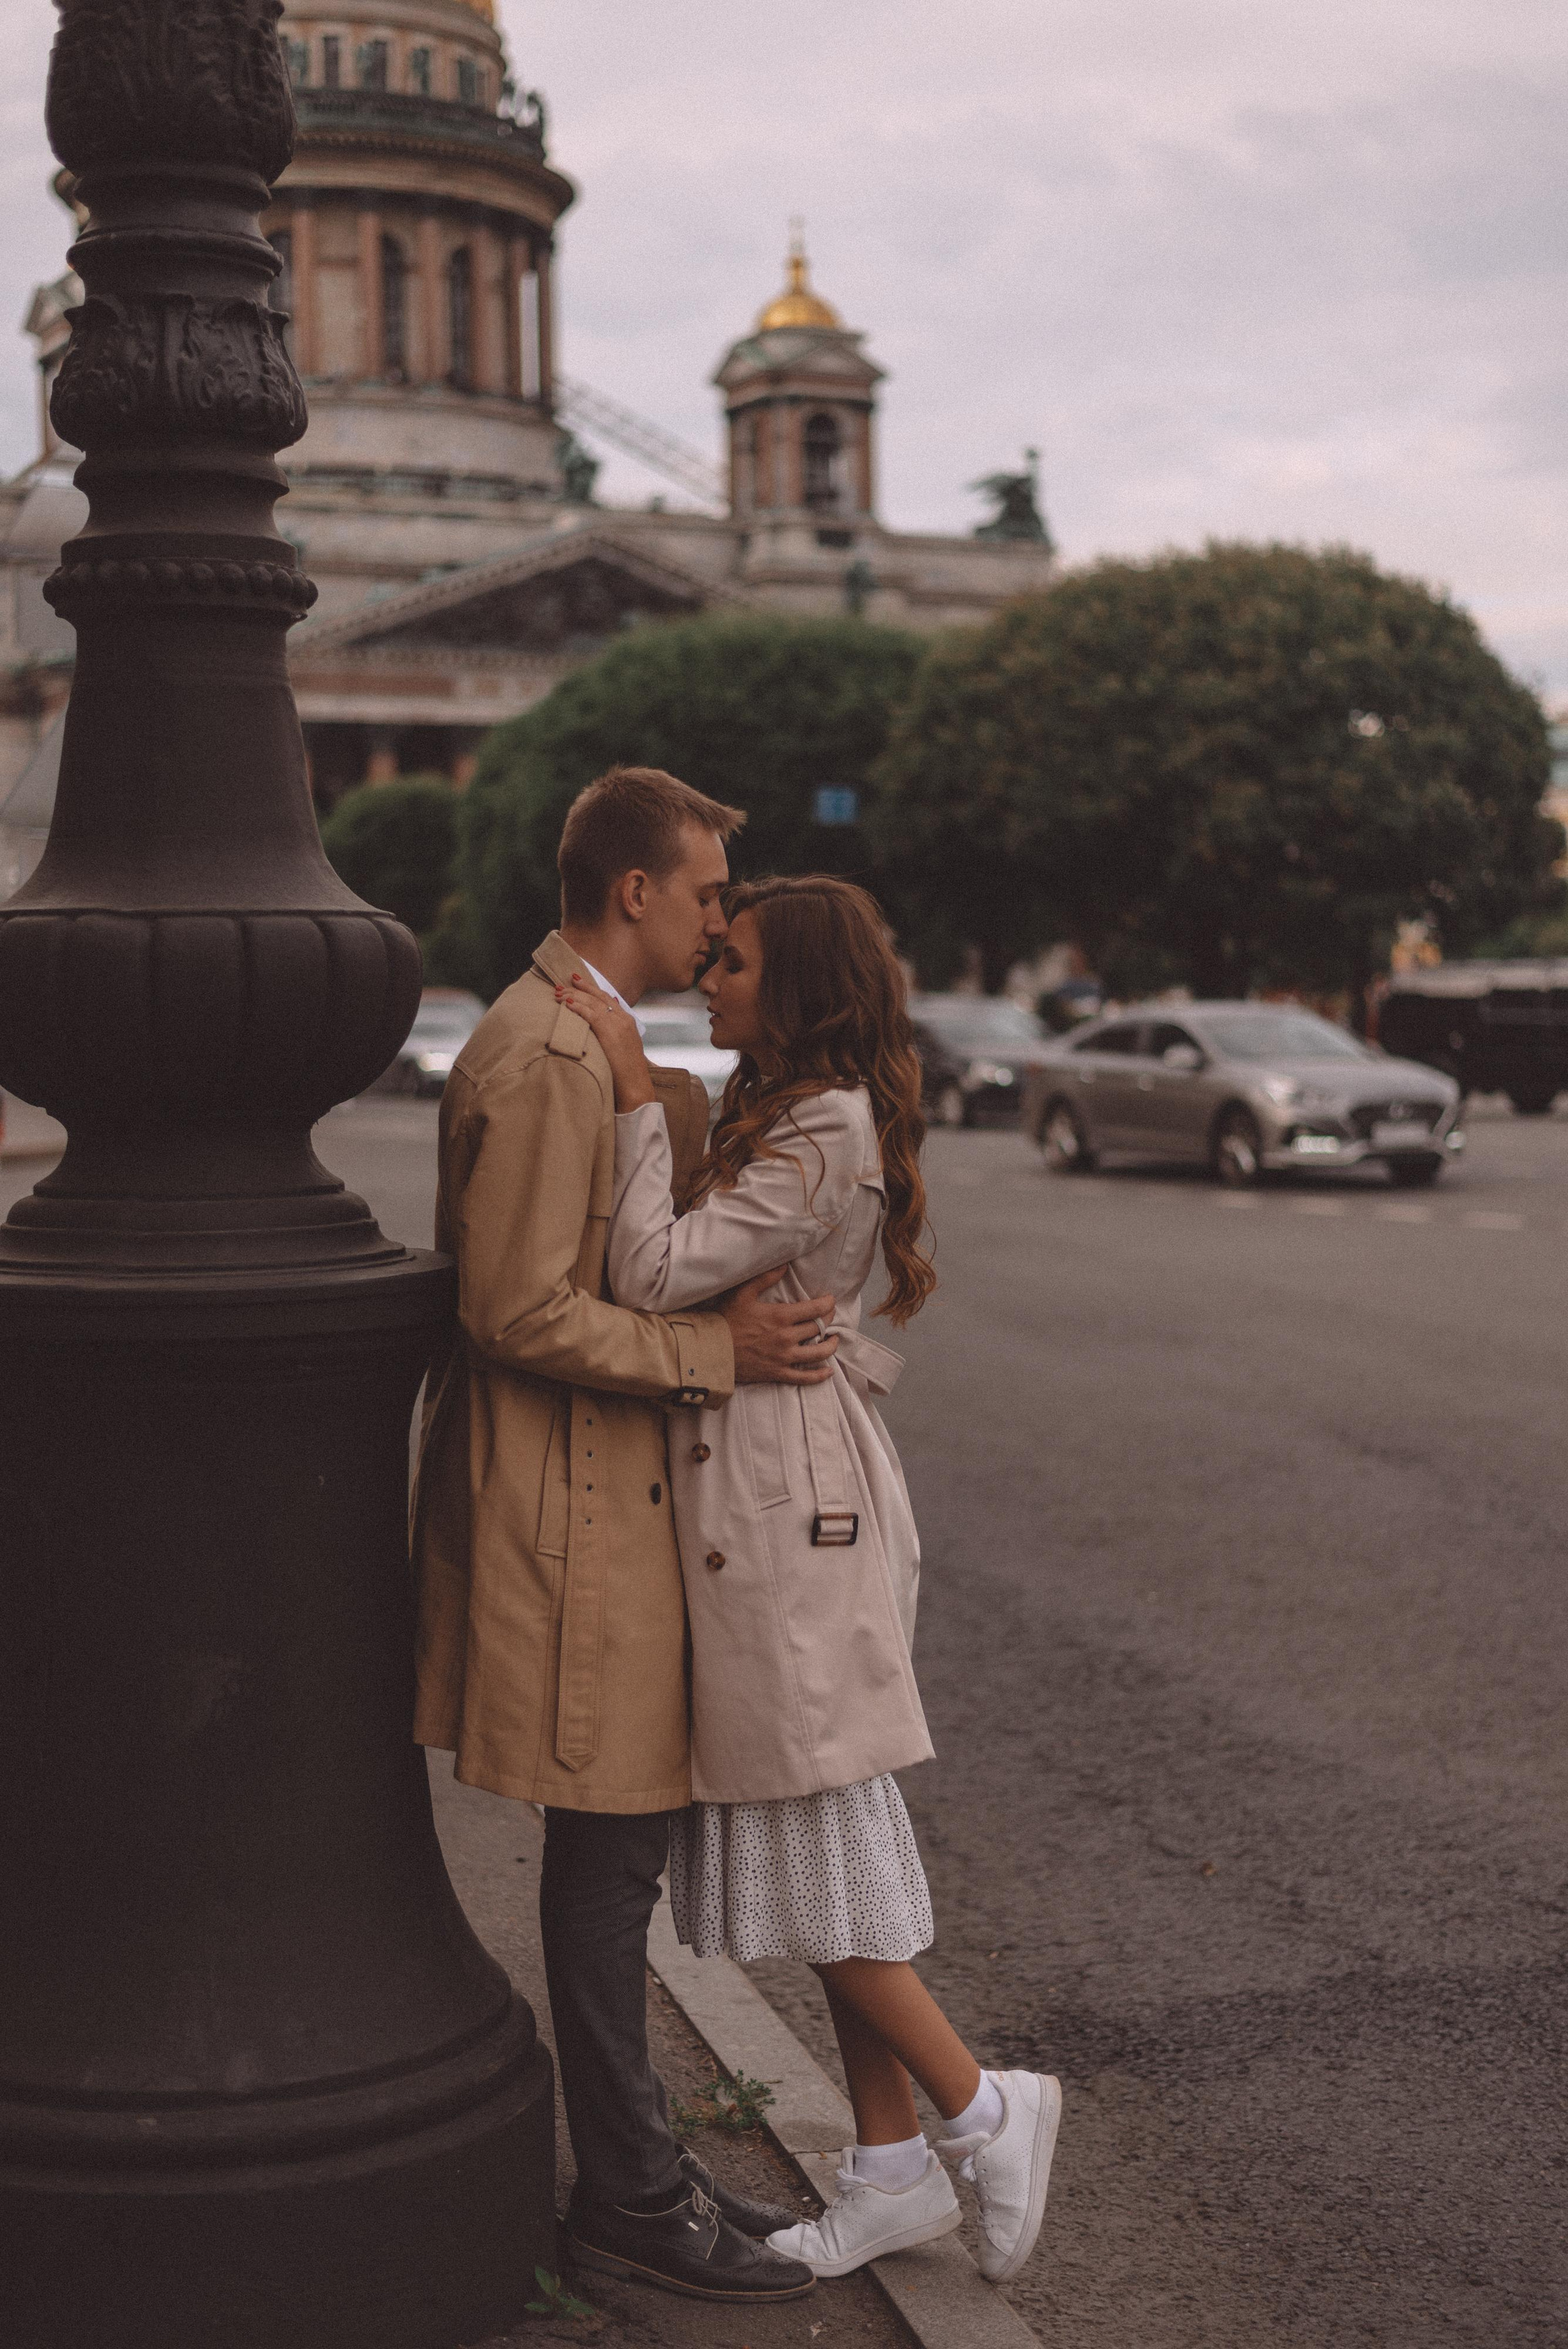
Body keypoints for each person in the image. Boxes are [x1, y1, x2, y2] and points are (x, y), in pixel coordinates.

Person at [555, 874, 1063, 2286]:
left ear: (802, 985)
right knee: (822, 1832)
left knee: (816, 1830)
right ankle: (891, 2167)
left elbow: (648, 1268)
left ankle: (979, 2104)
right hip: (776, 1488)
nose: (708, 978)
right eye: (710, 953)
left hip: (792, 1517)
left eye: (733, 961)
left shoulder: (821, 1126)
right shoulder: (783, 1109)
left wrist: (631, 1109)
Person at [412, 769, 845, 2306]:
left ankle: (640, 2170)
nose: (726, 914)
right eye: (712, 891)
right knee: (606, 1870)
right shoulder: (540, 1050)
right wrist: (712, 1356)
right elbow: (515, 1305)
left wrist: (641, 1078)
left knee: (618, 1863)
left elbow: (617, 1212)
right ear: (636, 892)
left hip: (601, 1495)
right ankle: (633, 2197)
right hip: (569, 1505)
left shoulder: (578, 1041)